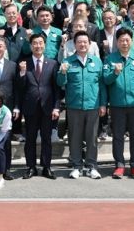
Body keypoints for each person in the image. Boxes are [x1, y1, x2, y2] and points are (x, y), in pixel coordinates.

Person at [102, 28, 134, 180]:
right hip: (117, 105)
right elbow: (105, 80)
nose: (124, 43)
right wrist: (115, 73)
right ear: (117, 42)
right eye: (121, 40)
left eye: (127, 40)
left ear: (132, 41)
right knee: (118, 136)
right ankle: (119, 165)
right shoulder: (110, 59)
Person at [58, 31, 105, 180]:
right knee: (75, 137)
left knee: (92, 138)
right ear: (75, 44)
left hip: (93, 105)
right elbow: (60, 83)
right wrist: (62, 72)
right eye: (79, 42)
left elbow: (102, 85)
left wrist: (103, 104)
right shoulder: (67, 61)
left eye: (85, 42)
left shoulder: (97, 62)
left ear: (89, 44)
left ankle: (91, 166)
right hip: (74, 106)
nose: (82, 44)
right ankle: (76, 166)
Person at [19, 34, 60, 180]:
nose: (38, 46)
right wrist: (22, 73)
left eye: (40, 43)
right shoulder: (24, 63)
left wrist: (56, 107)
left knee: (46, 138)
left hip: (47, 107)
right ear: (31, 46)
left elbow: (56, 88)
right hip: (30, 107)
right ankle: (31, 167)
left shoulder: (52, 63)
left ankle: (46, 167)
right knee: (30, 138)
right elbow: (20, 87)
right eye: (35, 43)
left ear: (45, 45)